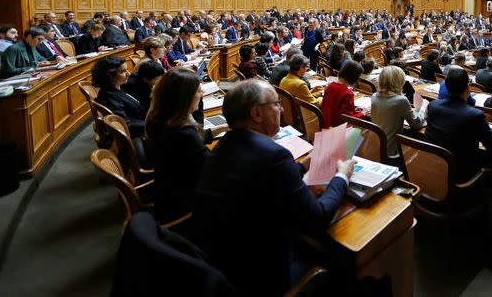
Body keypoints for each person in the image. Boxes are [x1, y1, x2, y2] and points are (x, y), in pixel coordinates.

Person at [193, 79, 354, 296]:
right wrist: (342, 176)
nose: (281, 108)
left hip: (225, 264)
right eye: (276, 103)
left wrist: (302, 166)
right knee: (342, 259)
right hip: (264, 278)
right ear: (256, 114)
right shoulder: (274, 155)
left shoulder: (223, 145)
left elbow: (261, 179)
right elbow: (318, 219)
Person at [145, 68, 226, 223]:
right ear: (185, 97)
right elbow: (211, 170)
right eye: (199, 92)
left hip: (168, 190)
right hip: (186, 204)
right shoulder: (183, 132)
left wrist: (223, 128)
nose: (201, 94)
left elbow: (196, 142)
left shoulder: (161, 115)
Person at [425, 67, 492, 182]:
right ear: (467, 87)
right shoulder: (475, 115)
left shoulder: (433, 105)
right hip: (461, 173)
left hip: (435, 163)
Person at [370, 66, 425, 160]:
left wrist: (414, 111)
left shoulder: (374, 96)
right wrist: (423, 110)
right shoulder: (401, 100)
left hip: (374, 146)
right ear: (399, 81)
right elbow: (416, 124)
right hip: (391, 150)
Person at [92, 56, 145, 137]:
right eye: (123, 71)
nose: (128, 73)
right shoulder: (109, 96)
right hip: (139, 135)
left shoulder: (118, 87)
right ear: (110, 75)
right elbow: (126, 125)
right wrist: (152, 124)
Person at [320, 60, 364, 128]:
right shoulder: (347, 93)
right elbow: (348, 120)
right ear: (354, 78)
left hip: (326, 125)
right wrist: (362, 113)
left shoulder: (330, 86)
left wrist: (354, 111)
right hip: (339, 130)